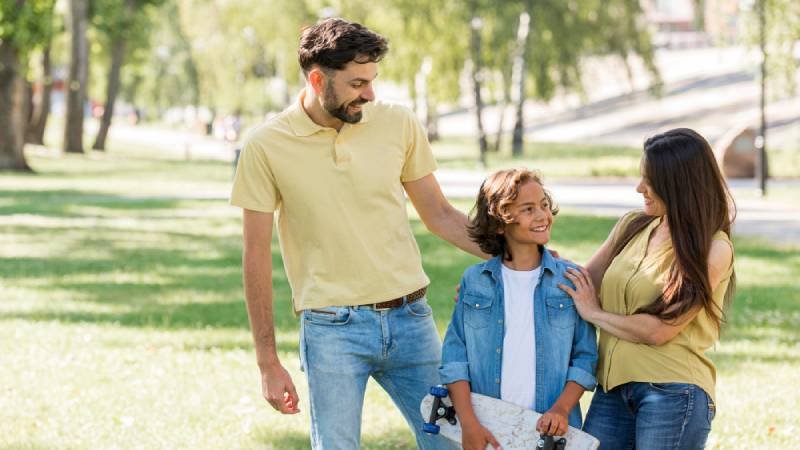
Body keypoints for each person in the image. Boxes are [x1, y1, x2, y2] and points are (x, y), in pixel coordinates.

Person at [229, 18, 484, 450]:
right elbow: (255, 255)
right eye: (357, 83)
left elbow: (440, 214)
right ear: (317, 79)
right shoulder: (265, 145)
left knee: (454, 442)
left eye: (372, 81)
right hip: (332, 330)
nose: (369, 93)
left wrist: (517, 256)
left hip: (412, 320)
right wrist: (267, 361)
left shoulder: (397, 124)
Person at [559, 128, 736, 449]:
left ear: (678, 184)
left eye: (650, 181)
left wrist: (594, 313)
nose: (639, 188)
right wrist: (497, 283)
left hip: (672, 391)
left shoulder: (713, 249)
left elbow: (659, 330)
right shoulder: (632, 225)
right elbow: (578, 280)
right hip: (612, 390)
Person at [439, 169, 598, 450]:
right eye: (528, 209)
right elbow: (455, 357)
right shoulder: (475, 281)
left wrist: (561, 409)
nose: (541, 215)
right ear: (500, 224)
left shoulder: (570, 280)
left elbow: (585, 357)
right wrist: (469, 422)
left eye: (544, 205)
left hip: (548, 431)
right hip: (490, 426)